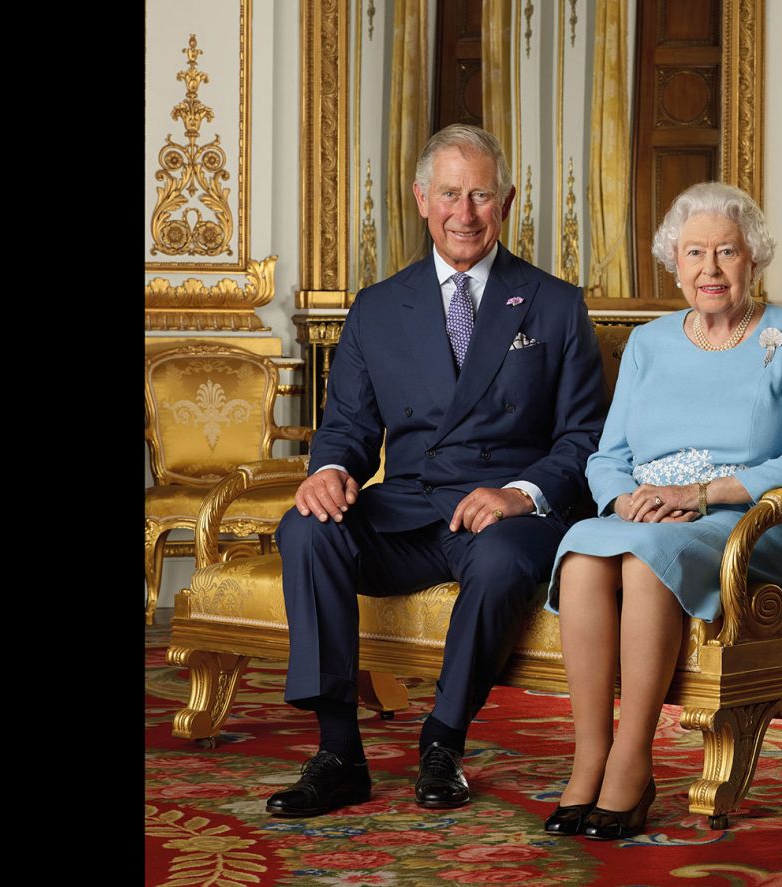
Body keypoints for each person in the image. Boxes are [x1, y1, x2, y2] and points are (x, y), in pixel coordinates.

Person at [266, 124, 606, 817]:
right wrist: (329, 469)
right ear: (422, 199)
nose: (465, 212)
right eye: (450, 193)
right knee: (307, 527)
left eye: (481, 194)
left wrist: (520, 493)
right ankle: (339, 752)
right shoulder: (379, 307)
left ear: (506, 202)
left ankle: (442, 742)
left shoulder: (556, 303)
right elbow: (349, 430)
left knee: (507, 558)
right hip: (412, 506)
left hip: (505, 512)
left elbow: (585, 437)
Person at [542, 181, 782, 840]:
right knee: (583, 552)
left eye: (727, 251)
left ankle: (633, 760)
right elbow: (606, 455)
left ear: (753, 258)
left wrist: (703, 494)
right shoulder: (649, 342)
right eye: (694, 253)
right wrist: (623, 498)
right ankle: (590, 756)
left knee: (646, 563)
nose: (711, 269)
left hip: (746, 521)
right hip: (646, 513)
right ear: (674, 262)